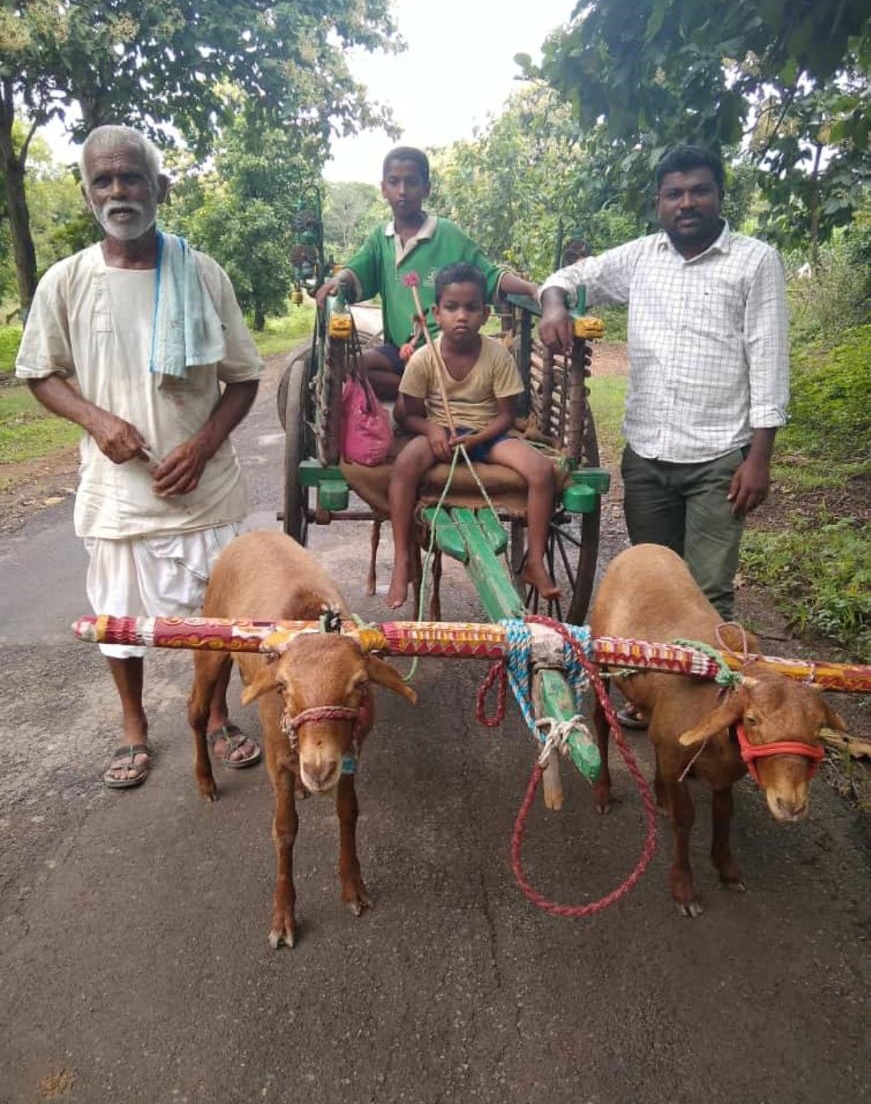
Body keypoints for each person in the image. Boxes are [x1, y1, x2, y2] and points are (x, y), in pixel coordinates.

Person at [15, 125, 264, 788]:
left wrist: (203, 444)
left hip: (204, 490)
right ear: (86, 192)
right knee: (119, 623)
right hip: (118, 493)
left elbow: (243, 378)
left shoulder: (202, 272)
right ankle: (133, 730)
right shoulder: (66, 281)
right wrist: (95, 421)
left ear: (161, 187)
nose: (118, 191)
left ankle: (214, 718)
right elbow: (40, 371)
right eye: (104, 180)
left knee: (216, 620)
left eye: (131, 177)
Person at [539, 145, 789, 729]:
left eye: (699, 190)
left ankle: (713, 727)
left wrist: (759, 457)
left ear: (719, 195)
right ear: (659, 203)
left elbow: (769, 359)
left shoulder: (755, 262)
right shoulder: (642, 257)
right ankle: (656, 699)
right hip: (648, 456)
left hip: (719, 458)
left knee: (708, 595)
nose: (687, 203)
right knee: (656, 589)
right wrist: (554, 301)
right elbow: (574, 277)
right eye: (674, 194)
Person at [386, 262, 559, 609]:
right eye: (451, 307)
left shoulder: (497, 356)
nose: (461, 316)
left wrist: (478, 439)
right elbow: (408, 416)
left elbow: (507, 416)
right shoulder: (424, 358)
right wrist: (432, 429)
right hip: (440, 435)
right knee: (404, 466)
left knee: (542, 471)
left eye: (471, 307)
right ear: (436, 312)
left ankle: (535, 561)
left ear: (486, 314)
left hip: (487, 435)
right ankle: (402, 559)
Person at [316, 146, 538, 400]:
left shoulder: (447, 233)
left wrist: (531, 289)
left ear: (426, 188)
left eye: (411, 182)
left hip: (446, 350)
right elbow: (357, 270)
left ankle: (418, 395)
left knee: (411, 377)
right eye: (394, 182)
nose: (402, 191)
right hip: (402, 350)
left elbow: (489, 274)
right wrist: (338, 280)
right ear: (383, 189)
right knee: (349, 366)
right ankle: (421, 394)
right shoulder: (381, 239)